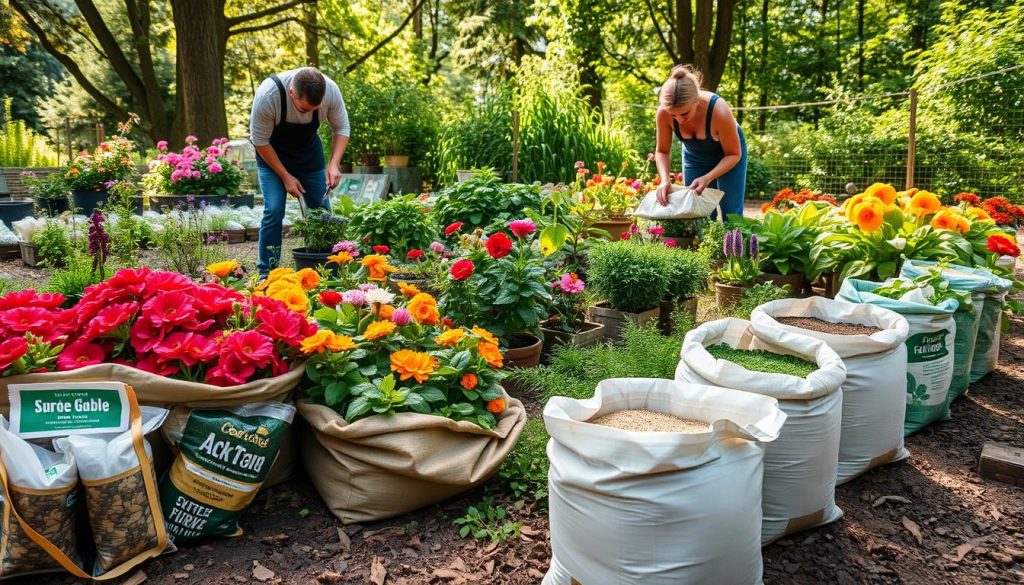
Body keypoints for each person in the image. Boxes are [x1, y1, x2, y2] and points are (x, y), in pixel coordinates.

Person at [250, 66, 350, 277]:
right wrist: (286, 177)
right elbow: (259, 141)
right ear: (291, 93)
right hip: (271, 156)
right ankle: (266, 273)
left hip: (308, 155)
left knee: (321, 213)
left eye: (316, 109)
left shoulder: (330, 90)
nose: (310, 113)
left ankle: (323, 272)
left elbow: (341, 128)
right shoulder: (268, 95)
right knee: (274, 210)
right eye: (305, 110)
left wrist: (333, 164)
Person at [653, 65, 747, 219]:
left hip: (729, 155)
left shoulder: (719, 111)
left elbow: (734, 154)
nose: (680, 120)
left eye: (684, 113)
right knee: (697, 212)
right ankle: (700, 243)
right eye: (673, 115)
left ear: (697, 100)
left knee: (731, 212)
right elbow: (662, 151)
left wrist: (708, 177)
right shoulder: (663, 113)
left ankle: (736, 242)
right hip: (694, 157)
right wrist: (664, 180)